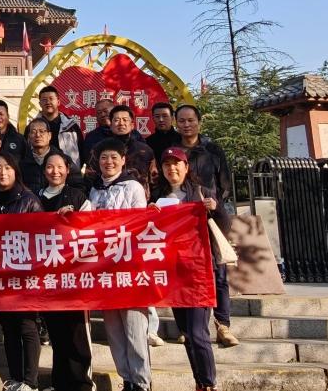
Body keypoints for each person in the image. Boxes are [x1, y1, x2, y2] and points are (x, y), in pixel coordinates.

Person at [87, 139, 152, 391]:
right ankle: (126, 379)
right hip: (104, 271)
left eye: (114, 157)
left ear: (123, 160)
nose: (109, 162)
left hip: (130, 268)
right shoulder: (94, 190)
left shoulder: (133, 187)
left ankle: (141, 382)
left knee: (135, 329)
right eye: (104, 157)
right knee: (114, 331)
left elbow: (139, 223)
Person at [175, 104, 239, 348]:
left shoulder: (212, 149)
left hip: (211, 217)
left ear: (199, 122)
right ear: (176, 123)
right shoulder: (174, 150)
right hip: (183, 220)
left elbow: (225, 183)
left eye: (190, 120)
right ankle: (185, 327)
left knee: (218, 274)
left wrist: (215, 204)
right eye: (182, 121)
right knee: (182, 274)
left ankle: (223, 325)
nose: (186, 124)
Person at [156, 146, 219, 390]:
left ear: (186, 167)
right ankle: (199, 383)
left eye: (176, 163)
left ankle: (209, 383)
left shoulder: (201, 193)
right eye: (167, 164)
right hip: (173, 272)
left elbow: (224, 223)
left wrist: (213, 209)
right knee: (186, 333)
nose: (172, 168)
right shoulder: (158, 196)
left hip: (198, 272)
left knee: (197, 332)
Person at [37, 153, 93, 391]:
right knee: (56, 332)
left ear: (68, 169)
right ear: (44, 170)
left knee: (76, 333)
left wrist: (73, 220)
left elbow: (92, 230)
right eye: (50, 167)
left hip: (74, 276)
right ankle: (60, 382)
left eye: (59, 167)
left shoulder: (78, 197)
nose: (55, 171)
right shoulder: (36, 197)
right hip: (47, 277)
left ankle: (81, 383)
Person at [0, 153, 43, 391]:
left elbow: (42, 236)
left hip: (24, 273)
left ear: (16, 171)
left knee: (26, 326)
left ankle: (30, 382)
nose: (2, 173)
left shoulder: (29, 200)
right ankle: (15, 377)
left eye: (7, 168)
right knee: (8, 327)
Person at [37, 86, 82, 171]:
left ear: (58, 102)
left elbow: (81, 151)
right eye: (44, 100)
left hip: (69, 173)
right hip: (40, 173)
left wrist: (73, 170)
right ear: (40, 104)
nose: (48, 102)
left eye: (51, 99)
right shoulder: (32, 128)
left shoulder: (71, 126)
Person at [19, 117, 60, 194]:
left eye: (42, 131)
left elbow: (77, 184)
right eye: (33, 132)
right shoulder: (21, 161)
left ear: (49, 135)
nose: (38, 135)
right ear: (29, 136)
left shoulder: (61, 159)